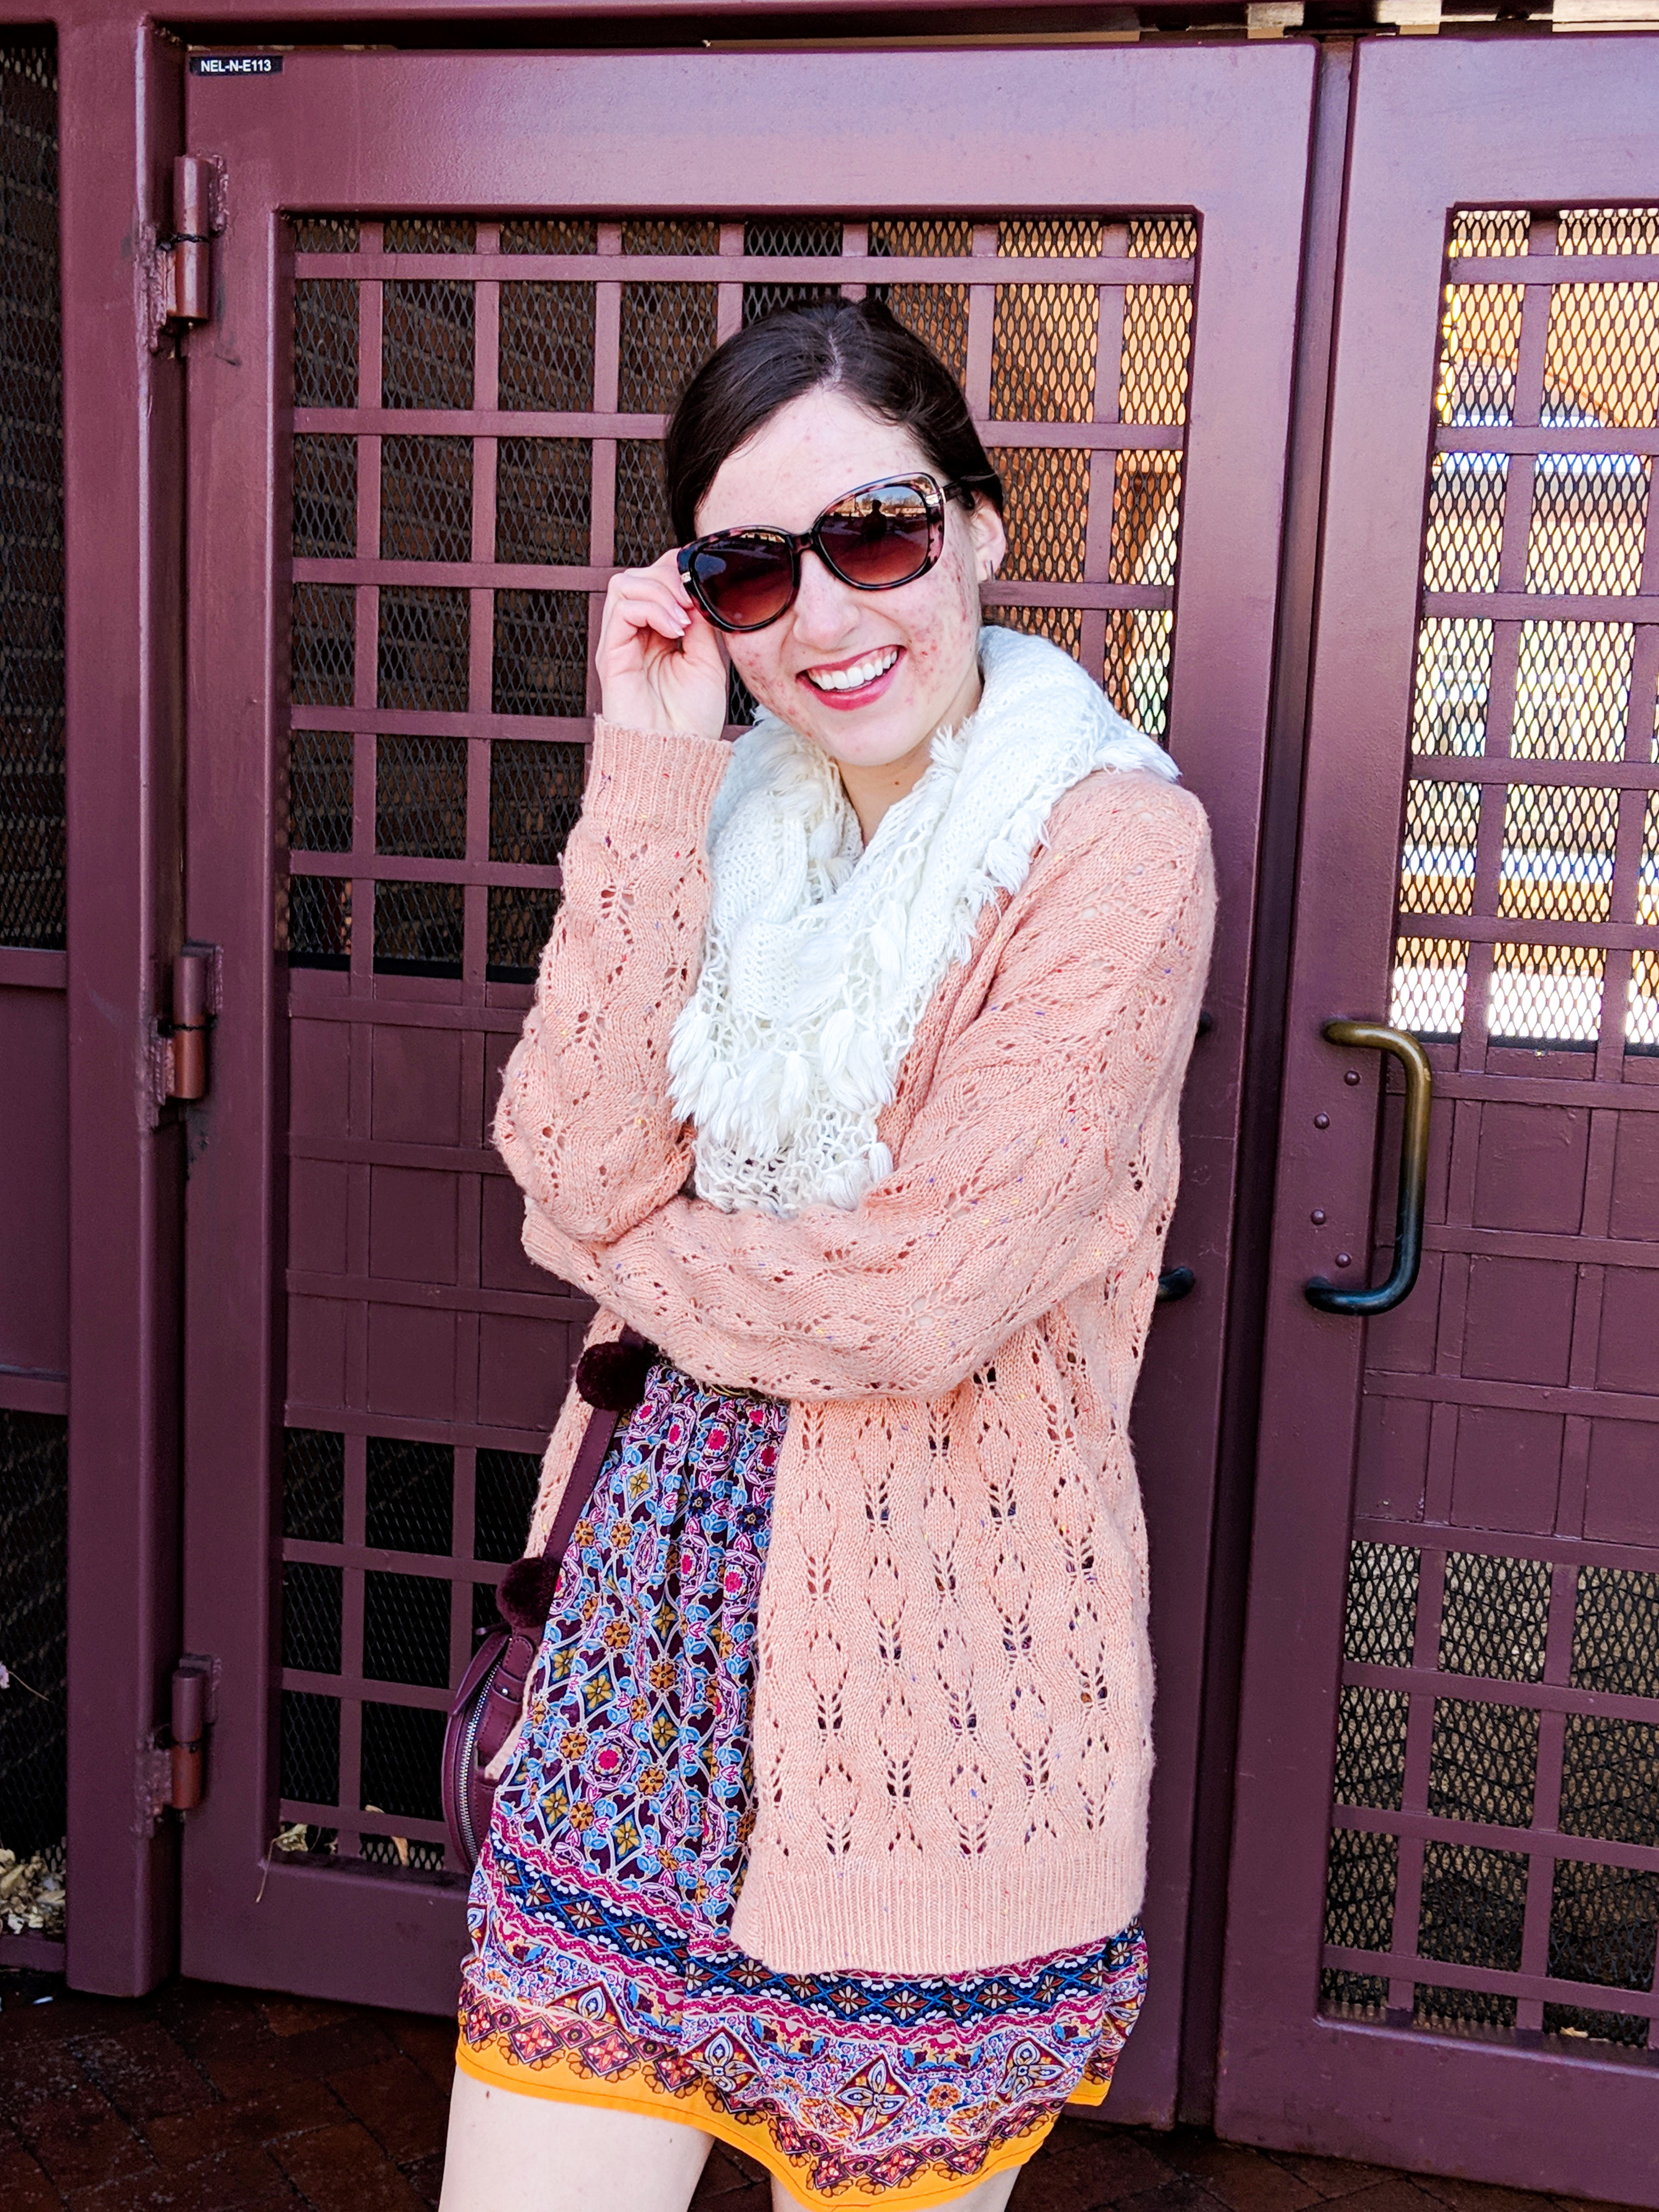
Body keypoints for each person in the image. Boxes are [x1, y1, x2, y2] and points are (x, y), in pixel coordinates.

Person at [440, 298, 1215, 2212]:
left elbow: (912, 1304)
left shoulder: (1112, 850)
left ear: (976, 526)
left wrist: (628, 1240)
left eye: (877, 532)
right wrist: (651, 772)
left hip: (936, 1716)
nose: (829, 616)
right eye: (752, 569)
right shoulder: (716, 826)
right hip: (634, 1677)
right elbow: (562, 1146)